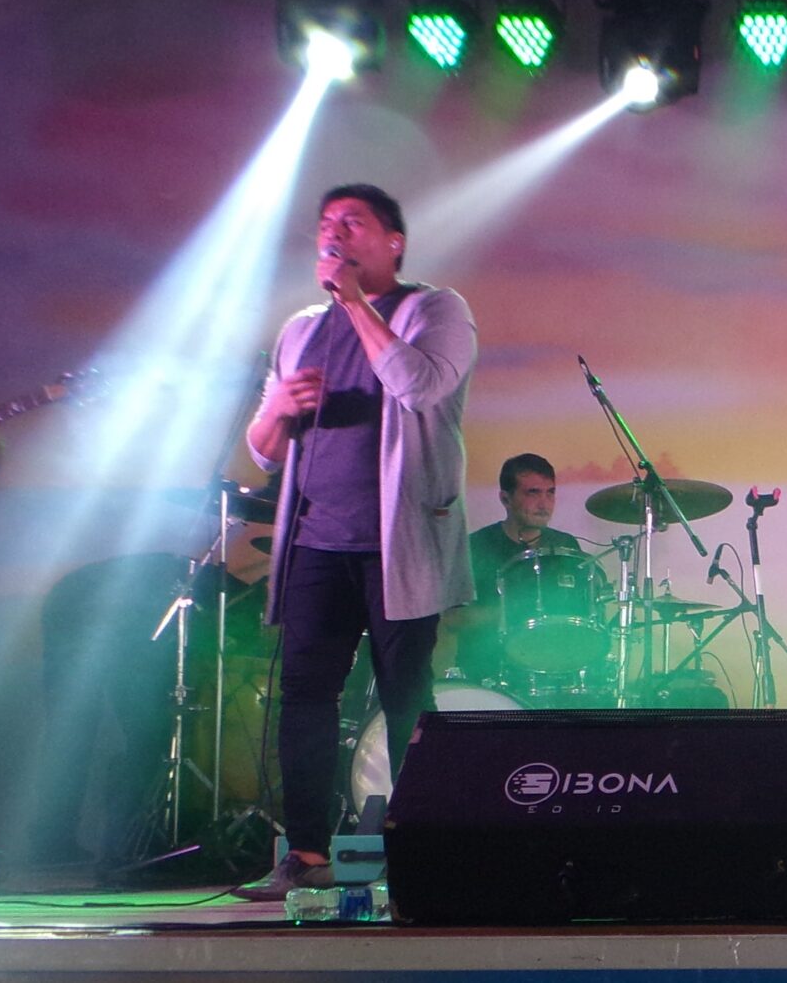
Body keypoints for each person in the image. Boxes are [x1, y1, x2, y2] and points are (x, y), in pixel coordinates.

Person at [232, 185, 476, 900]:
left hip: (401, 543)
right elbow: (264, 451)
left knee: (406, 694)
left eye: (353, 222)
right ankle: (305, 853)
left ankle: (424, 849)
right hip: (316, 540)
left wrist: (355, 303)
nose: (334, 233)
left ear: (394, 242)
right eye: (326, 224)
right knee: (306, 695)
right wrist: (279, 409)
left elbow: (419, 386)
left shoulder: (435, 309)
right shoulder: (300, 329)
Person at [449, 453, 587, 686]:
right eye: (533, 493)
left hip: (553, 671)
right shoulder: (476, 547)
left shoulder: (566, 546)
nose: (544, 504)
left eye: (550, 492)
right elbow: (453, 619)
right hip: (488, 676)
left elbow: (581, 615)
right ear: (505, 499)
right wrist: (516, 610)